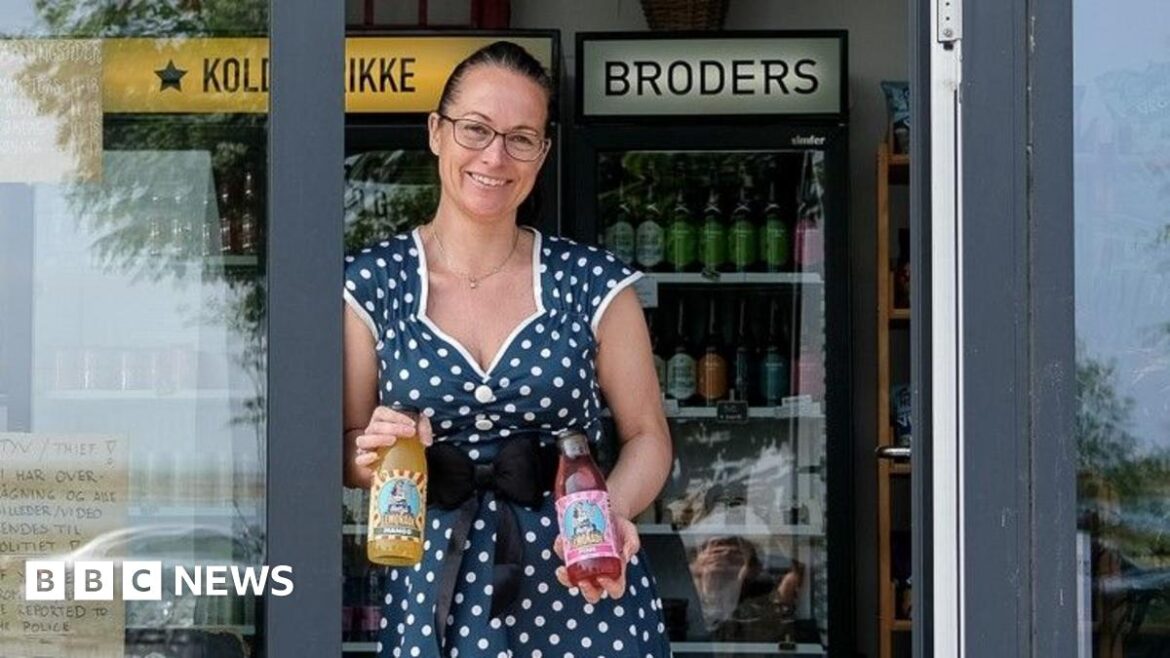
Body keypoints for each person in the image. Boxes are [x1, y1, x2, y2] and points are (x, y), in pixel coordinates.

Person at [342, 41, 674, 658]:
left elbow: (647, 435)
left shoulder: (593, 283)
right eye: (475, 129)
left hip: (582, 578)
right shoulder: (370, 285)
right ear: (437, 132)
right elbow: (345, 450)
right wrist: (377, 452)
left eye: (521, 138)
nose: (494, 156)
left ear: (542, 153)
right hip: (436, 589)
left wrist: (611, 512)